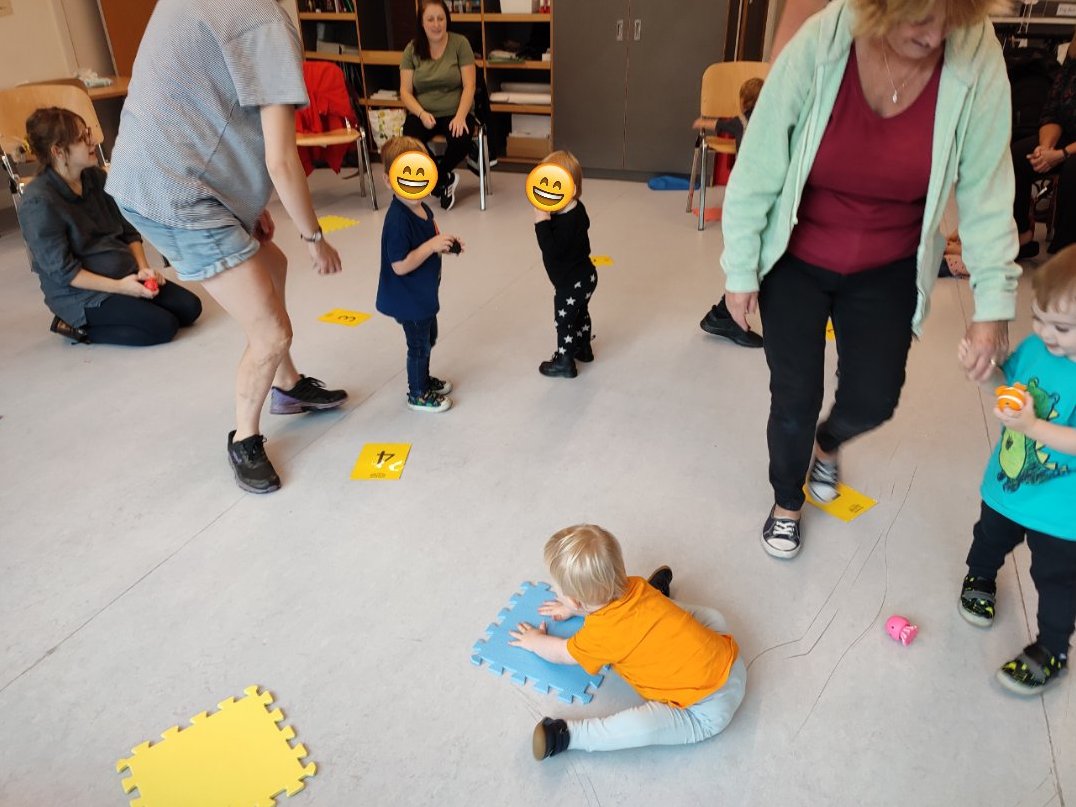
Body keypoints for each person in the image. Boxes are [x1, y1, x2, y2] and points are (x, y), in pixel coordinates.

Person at [721, 0, 1020, 559]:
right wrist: (740, 269)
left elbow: (986, 185)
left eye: (949, 20)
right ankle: (787, 501)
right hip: (797, 256)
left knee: (875, 400)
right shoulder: (824, 39)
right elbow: (760, 161)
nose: (934, 37)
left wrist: (993, 305)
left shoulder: (976, 52)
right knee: (794, 397)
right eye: (918, 19)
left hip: (889, 264)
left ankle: (828, 445)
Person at [106, 0, 348, 495]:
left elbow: (201, 102)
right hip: (180, 194)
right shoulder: (266, 21)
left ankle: (286, 386)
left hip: (155, 173)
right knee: (271, 333)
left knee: (270, 264)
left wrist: (241, 198)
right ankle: (245, 437)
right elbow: (283, 160)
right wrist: (315, 238)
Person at [508, 524, 745, 759]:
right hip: (731, 660)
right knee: (709, 618)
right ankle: (659, 597)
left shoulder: (599, 637)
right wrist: (574, 609)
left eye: (559, 591)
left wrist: (534, 640)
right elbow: (607, 608)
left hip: (706, 712)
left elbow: (562, 653)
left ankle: (567, 736)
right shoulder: (636, 585)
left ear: (576, 601)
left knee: (642, 727)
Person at [957, 247, 1076, 695]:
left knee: (1057, 579)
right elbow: (1009, 388)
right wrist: (984, 370)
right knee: (989, 536)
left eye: (1061, 328)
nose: (1044, 333)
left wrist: (1033, 426)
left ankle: (1051, 649)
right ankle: (980, 577)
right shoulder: (1037, 349)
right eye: (1038, 317)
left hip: (1063, 513)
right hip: (1008, 485)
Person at [18, 107, 201, 346]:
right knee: (162, 327)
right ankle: (73, 327)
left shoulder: (95, 177)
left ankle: (128, 300)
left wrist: (143, 269)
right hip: (82, 293)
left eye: (88, 133)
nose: (92, 140)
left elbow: (128, 232)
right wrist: (122, 288)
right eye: (82, 138)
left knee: (189, 309)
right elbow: (65, 272)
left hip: (124, 274)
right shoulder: (38, 202)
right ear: (58, 151)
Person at [376, 136, 463, 412]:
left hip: (422, 294)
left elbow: (431, 240)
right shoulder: (398, 221)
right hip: (407, 298)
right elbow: (400, 265)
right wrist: (430, 246)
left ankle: (423, 378)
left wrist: (444, 246)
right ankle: (418, 393)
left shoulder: (422, 208)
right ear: (389, 180)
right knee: (419, 345)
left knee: (428, 338)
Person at [696, 78, 766, 349]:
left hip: (746, 182)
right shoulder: (768, 120)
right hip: (754, 185)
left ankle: (725, 314)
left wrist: (702, 123)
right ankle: (726, 314)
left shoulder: (742, 120)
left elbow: (721, 124)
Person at [400, 0, 476, 211]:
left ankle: (437, 179)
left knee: (461, 139)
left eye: (440, 18)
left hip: (456, 110)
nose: (436, 24)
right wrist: (421, 113)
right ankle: (445, 180)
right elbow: (405, 92)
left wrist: (461, 116)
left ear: (447, 20)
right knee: (410, 144)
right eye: (430, 19)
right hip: (423, 112)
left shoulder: (460, 44)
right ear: (422, 24)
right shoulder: (411, 50)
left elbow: (470, 86)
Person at [532, 150, 596, 379]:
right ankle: (583, 348)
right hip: (587, 276)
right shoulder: (577, 208)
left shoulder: (564, 222)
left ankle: (565, 361)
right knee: (581, 312)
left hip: (570, 284)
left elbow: (551, 250)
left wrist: (541, 221)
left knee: (564, 320)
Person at [1011, 37, 1076, 259]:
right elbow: (1053, 108)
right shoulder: (1072, 60)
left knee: (1073, 170)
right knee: (1019, 156)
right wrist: (1045, 149)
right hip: (1068, 134)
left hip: (1072, 149)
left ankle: (1065, 252)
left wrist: (1062, 154)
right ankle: (1021, 234)